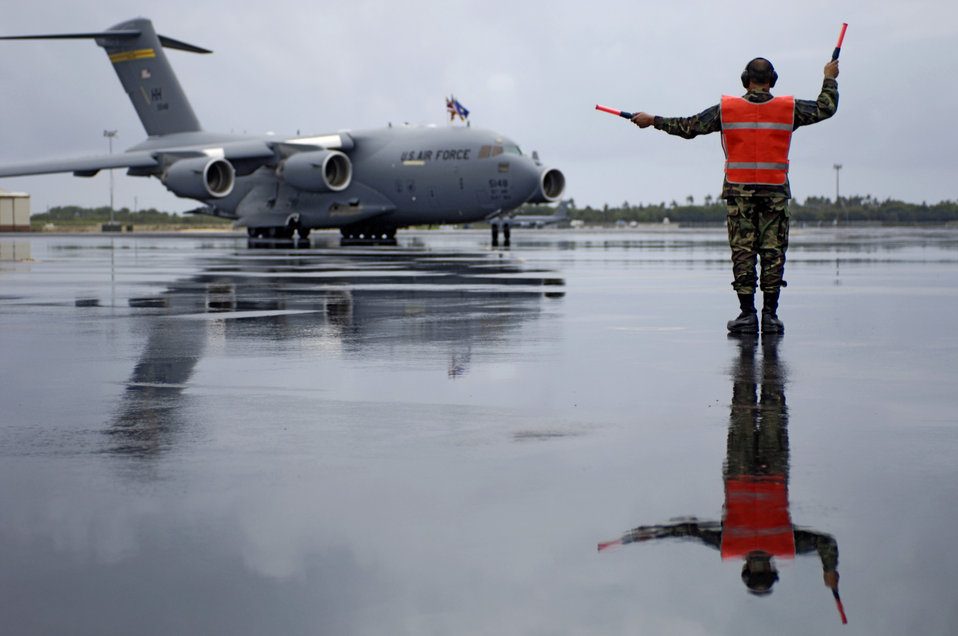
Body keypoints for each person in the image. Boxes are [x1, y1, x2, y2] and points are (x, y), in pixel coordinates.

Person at [629, 57, 839, 334]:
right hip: (774, 192)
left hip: (739, 193)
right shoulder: (790, 109)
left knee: (743, 253)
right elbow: (826, 108)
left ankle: (747, 315)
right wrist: (829, 77)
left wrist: (653, 120)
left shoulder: (727, 110)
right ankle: (770, 316)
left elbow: (689, 126)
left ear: (745, 79)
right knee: (773, 253)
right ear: (772, 80)